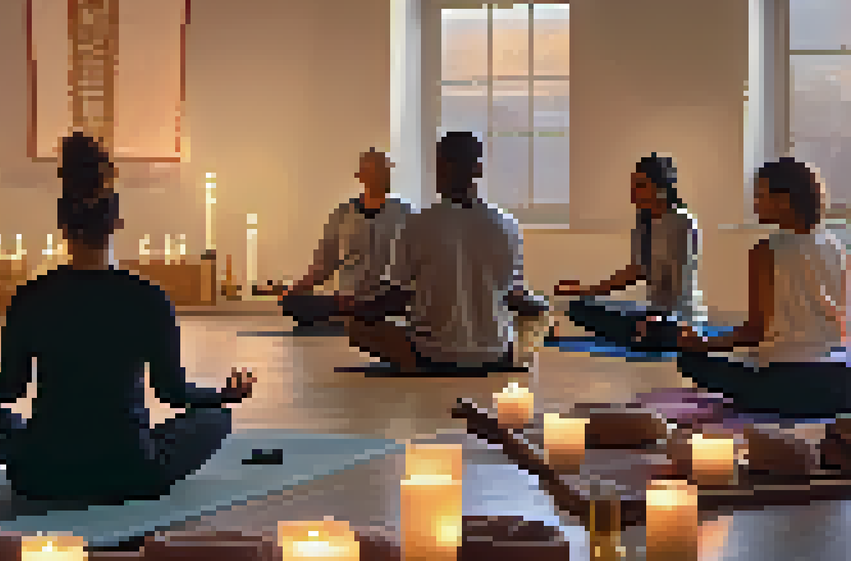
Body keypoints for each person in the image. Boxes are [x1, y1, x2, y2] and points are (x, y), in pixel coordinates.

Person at [0, 132, 256, 504]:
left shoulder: (31, 296)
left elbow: (9, 390)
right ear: (116, 222)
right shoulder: (148, 297)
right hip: (130, 470)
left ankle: (36, 454)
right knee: (216, 418)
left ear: (62, 225)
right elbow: (173, 394)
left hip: (44, 472)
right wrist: (225, 394)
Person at [345, 131, 550, 373]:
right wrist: (542, 306)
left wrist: (353, 307)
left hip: (431, 353)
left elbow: (399, 297)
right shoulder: (508, 225)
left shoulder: (416, 223)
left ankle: (418, 366)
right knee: (536, 315)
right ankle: (511, 359)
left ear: (439, 170)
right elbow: (514, 296)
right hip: (494, 354)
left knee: (357, 327)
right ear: (478, 169)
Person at [669, 158, 850, 418]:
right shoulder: (836, 247)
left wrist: (702, 342)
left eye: (760, 195)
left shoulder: (766, 250)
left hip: (783, 382)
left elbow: (754, 332)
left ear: (784, 200)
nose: (754, 204)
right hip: (838, 380)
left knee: (689, 358)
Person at [554, 154, 705, 349]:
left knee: (649, 329)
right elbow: (636, 270)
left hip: (679, 318)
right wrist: (585, 291)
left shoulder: (682, 223)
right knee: (579, 308)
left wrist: (661, 319)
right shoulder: (643, 224)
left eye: (640, 186)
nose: (633, 194)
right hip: (653, 313)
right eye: (633, 186)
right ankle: (640, 333)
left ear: (661, 189)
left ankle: (647, 333)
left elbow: (681, 286)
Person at [282, 149, 413, 330]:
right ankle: (355, 313)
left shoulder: (404, 213)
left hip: (384, 295)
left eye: (386, 171)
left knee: (399, 300)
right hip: (347, 296)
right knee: (293, 303)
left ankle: (357, 314)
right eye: (377, 171)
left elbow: (413, 262)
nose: (384, 176)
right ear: (362, 176)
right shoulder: (342, 214)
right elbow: (324, 264)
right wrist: (297, 288)